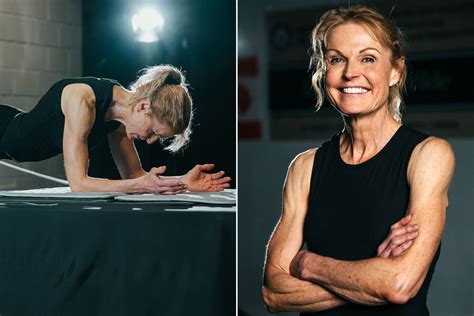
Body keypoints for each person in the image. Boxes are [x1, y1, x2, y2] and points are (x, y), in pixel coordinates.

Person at [262, 5, 455, 315]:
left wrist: (307, 263)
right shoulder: (305, 167)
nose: (351, 73)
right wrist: (374, 274)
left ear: (395, 71)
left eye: (368, 58)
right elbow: (274, 293)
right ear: (324, 73)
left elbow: (400, 284)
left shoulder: (427, 155)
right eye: (337, 59)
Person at [0, 65, 231, 194]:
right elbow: (79, 185)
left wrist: (182, 183)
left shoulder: (120, 121)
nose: (149, 140)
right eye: (153, 132)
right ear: (143, 106)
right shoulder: (83, 100)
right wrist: (141, 185)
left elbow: (135, 177)